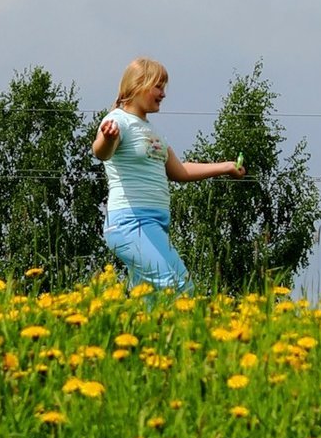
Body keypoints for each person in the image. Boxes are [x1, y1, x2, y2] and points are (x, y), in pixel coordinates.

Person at [93, 57, 244, 291]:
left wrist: (225, 167)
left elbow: (179, 171)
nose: (163, 94)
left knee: (151, 298)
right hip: (130, 223)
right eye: (158, 86)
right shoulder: (117, 121)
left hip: (154, 225)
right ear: (137, 85)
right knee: (178, 288)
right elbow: (101, 152)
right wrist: (108, 138)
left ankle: (135, 328)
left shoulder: (151, 130)